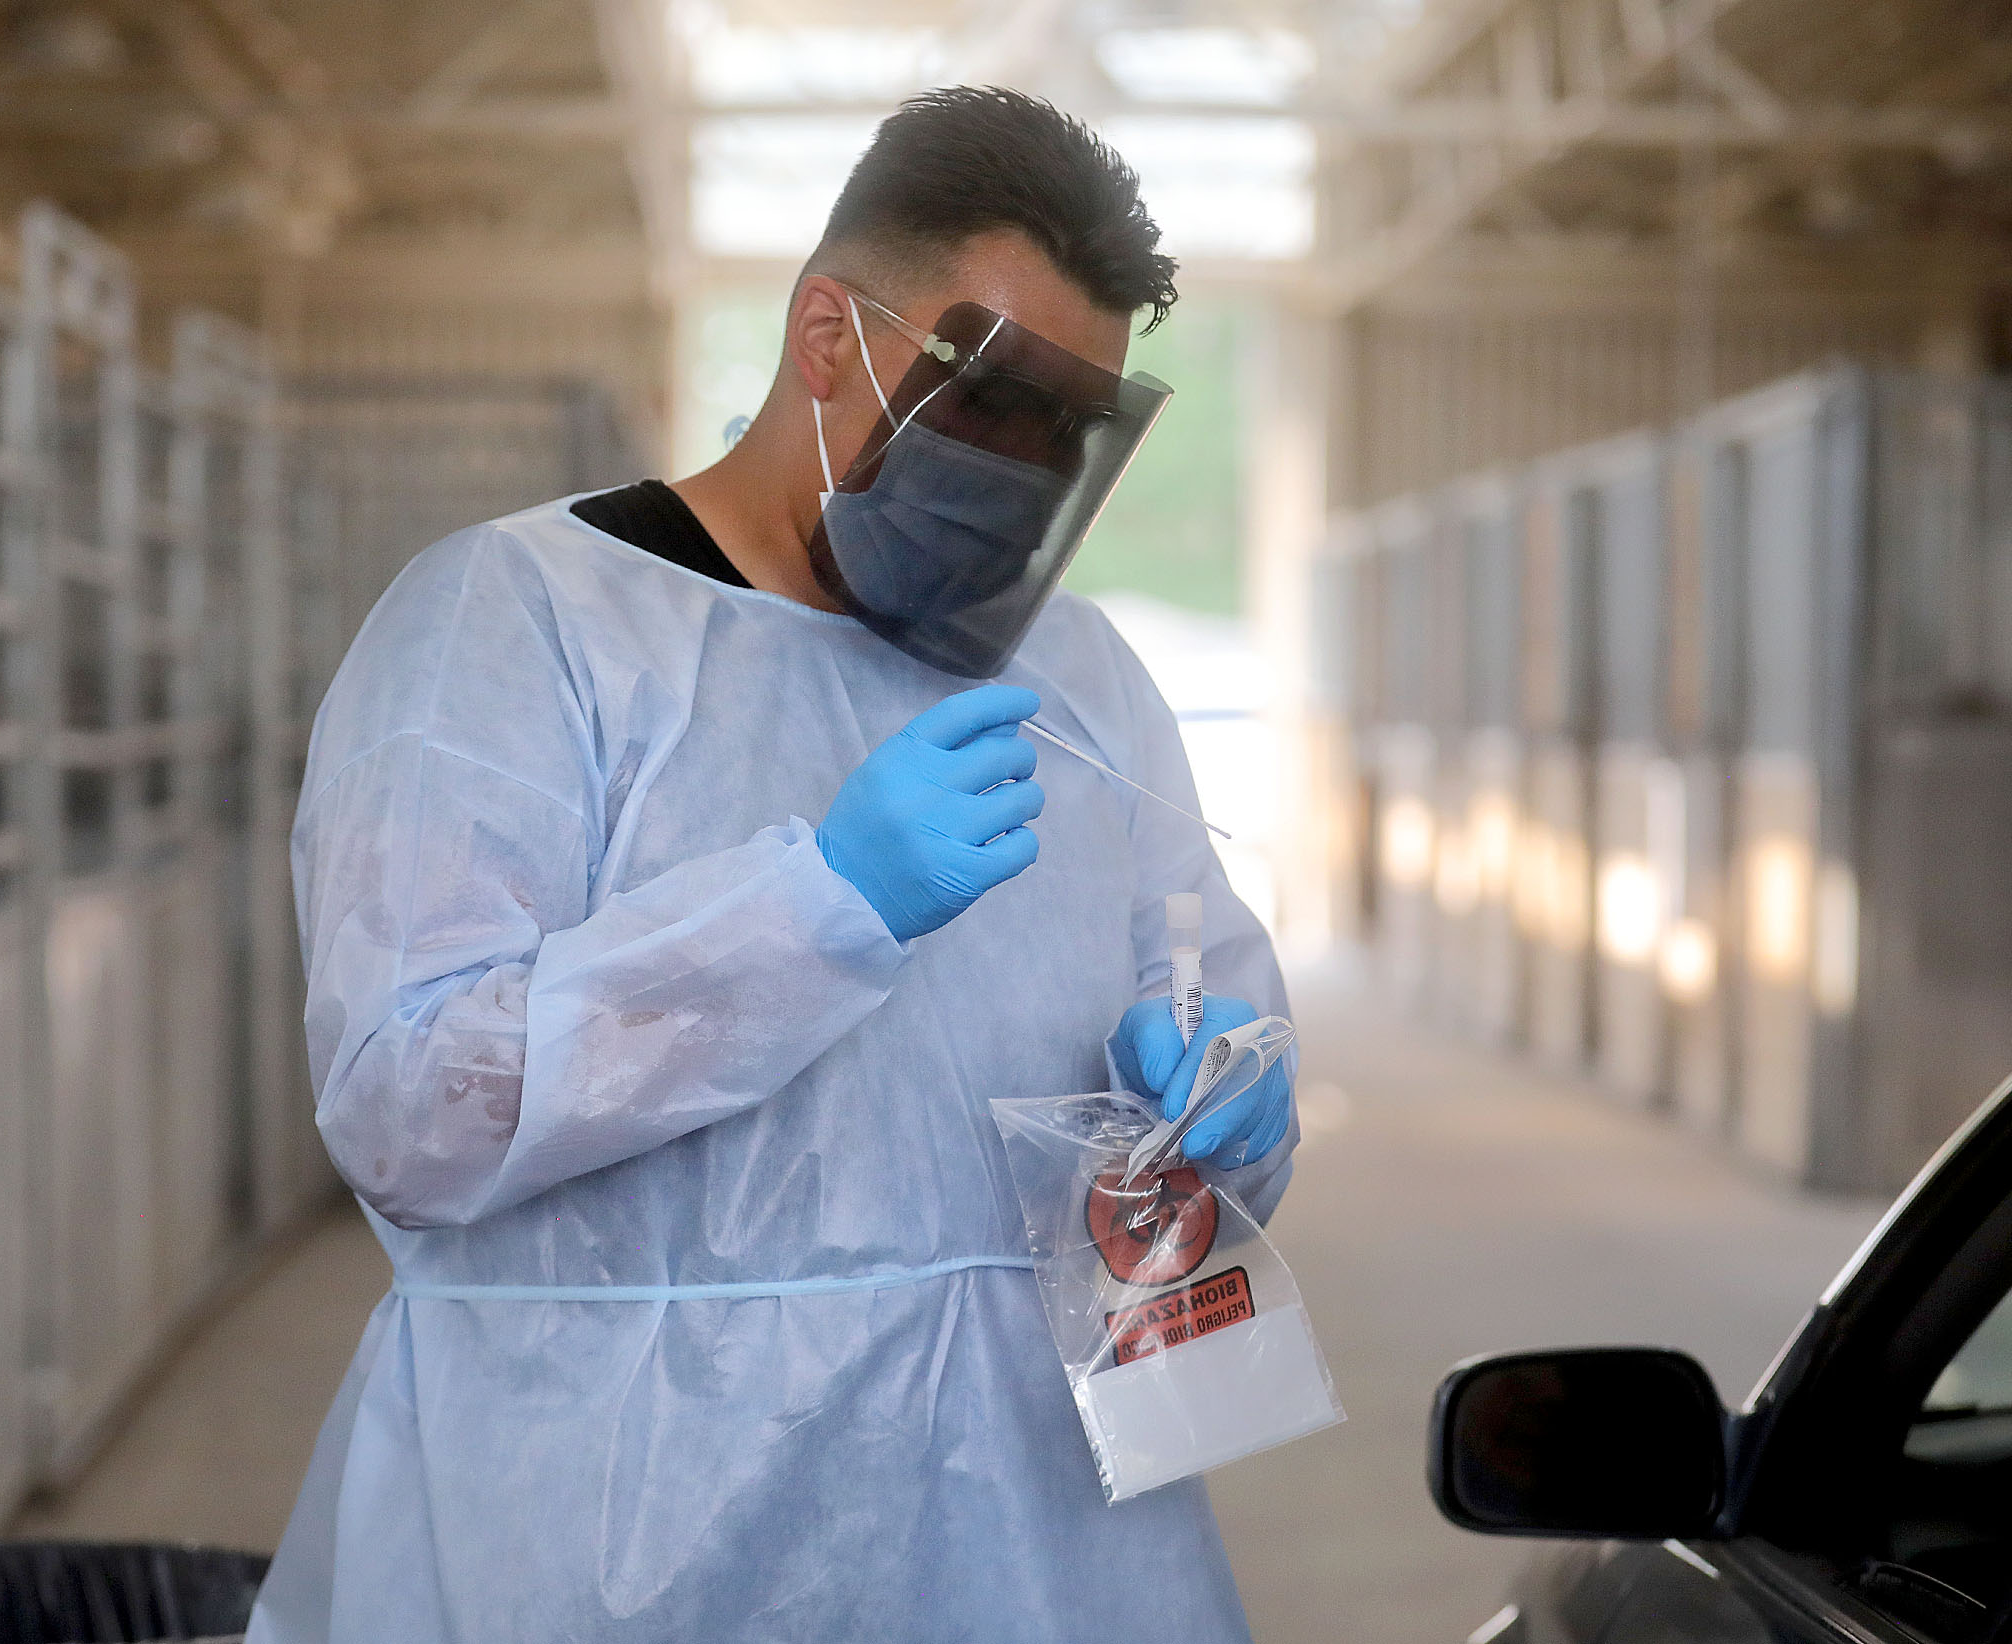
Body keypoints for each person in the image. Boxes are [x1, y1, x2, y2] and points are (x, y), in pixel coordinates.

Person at [247, 86, 1297, 1643]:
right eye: (989, 397)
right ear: (828, 336)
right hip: (615, 1538)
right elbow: (411, 1109)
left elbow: (1207, 1000)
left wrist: (1234, 1091)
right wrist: (817, 909)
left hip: (1036, 1546)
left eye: (1067, 424)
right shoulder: (519, 626)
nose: (1021, 464)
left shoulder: (1082, 683)